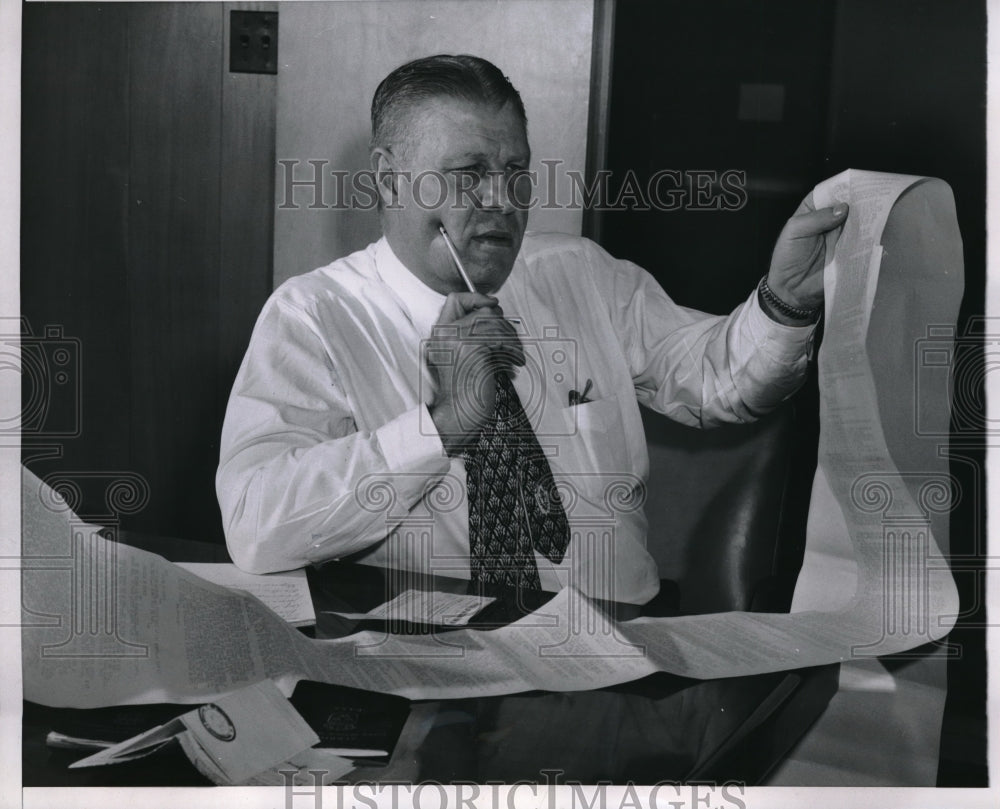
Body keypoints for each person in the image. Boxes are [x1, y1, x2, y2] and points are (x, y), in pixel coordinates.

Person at [216, 54, 846, 605]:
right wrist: (440, 428)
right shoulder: (314, 316)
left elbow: (722, 382)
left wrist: (787, 300)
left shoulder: (578, 274)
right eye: (469, 173)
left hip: (618, 648)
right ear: (388, 179)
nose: (503, 200)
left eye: (516, 171)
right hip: (433, 664)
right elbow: (256, 527)